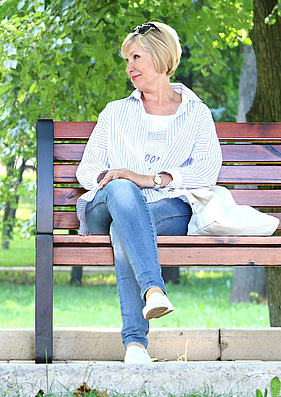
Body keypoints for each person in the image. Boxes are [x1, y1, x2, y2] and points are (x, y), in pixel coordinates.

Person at [75, 21, 222, 364]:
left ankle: (135, 346)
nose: (129, 68)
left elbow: (206, 171)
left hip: (168, 208)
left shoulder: (196, 114)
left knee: (125, 227)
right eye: (127, 60)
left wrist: (151, 179)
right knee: (123, 195)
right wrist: (117, 180)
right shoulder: (116, 112)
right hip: (107, 205)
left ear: (160, 57)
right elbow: (87, 168)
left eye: (135, 57)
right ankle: (153, 289)